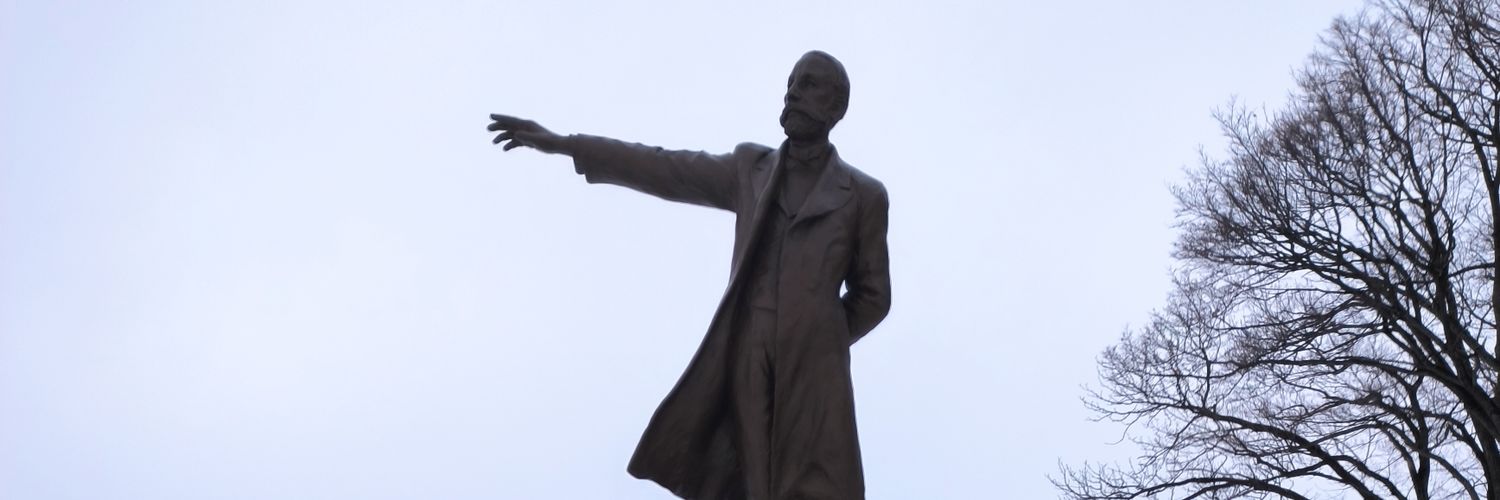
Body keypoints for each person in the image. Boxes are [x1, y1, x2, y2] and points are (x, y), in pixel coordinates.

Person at [487, 50, 890, 500]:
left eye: (808, 84)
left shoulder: (864, 196)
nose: (792, 93)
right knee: (754, 485)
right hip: (747, 354)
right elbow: (667, 168)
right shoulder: (750, 168)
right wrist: (567, 145)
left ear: (836, 106)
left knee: (818, 484)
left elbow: (873, 296)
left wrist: (819, 335)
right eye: (791, 82)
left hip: (815, 367)